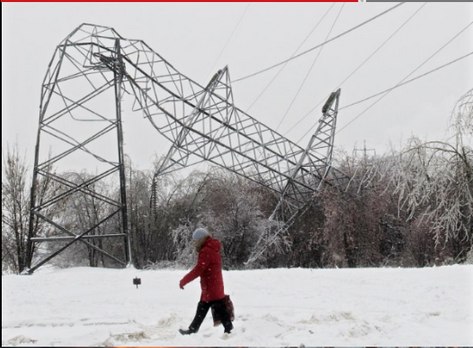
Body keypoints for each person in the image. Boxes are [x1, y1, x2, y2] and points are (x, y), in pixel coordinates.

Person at [178, 227, 233, 335]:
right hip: (214, 285)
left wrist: (184, 280)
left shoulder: (206, 250)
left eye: (196, 241)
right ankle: (228, 328)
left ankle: (193, 330)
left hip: (211, 287)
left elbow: (198, 269)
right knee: (212, 307)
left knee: (206, 307)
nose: (195, 243)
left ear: (201, 239)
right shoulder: (212, 248)